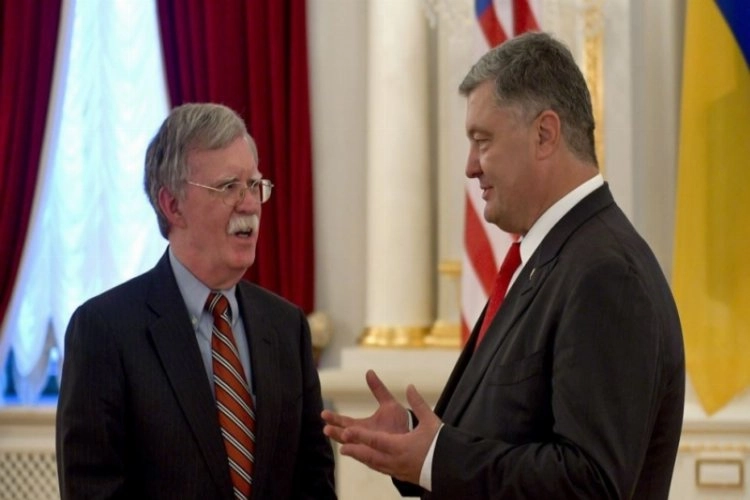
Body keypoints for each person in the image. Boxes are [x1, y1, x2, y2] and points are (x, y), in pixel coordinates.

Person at [322, 32, 685, 499]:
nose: (470, 166)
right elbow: (514, 426)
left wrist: (436, 459)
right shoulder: (551, 259)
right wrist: (415, 440)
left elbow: (589, 483)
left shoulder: (605, 274)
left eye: (483, 141)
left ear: (544, 134)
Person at [56, 103, 336, 499]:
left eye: (255, 185)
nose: (250, 204)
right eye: (229, 187)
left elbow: (314, 483)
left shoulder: (286, 326)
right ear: (172, 205)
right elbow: (93, 491)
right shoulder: (104, 330)